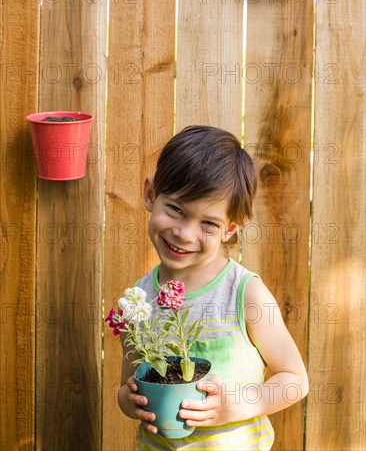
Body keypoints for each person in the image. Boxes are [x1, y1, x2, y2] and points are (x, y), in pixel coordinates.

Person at [118, 125, 309, 450]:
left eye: (208, 223)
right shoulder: (139, 301)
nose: (185, 234)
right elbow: (130, 384)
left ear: (229, 230)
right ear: (151, 195)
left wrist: (236, 404)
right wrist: (127, 400)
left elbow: (294, 381)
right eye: (176, 209)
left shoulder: (245, 294)